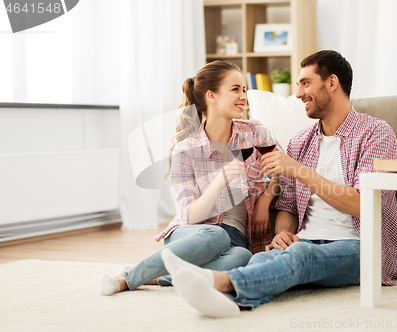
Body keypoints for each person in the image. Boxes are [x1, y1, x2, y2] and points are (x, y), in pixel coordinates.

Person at [158, 50, 397, 318]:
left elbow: (365, 205)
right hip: (305, 239)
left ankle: (218, 283)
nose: (298, 93)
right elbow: (287, 205)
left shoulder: (376, 133)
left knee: (301, 257)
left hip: (358, 246)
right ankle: (230, 301)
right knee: (263, 258)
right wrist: (282, 233)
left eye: (305, 83)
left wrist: (298, 170)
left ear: (332, 83)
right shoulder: (300, 142)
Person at [100, 60, 278, 296]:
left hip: (236, 240)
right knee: (216, 234)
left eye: (244, 89)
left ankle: (158, 276)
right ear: (211, 96)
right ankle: (128, 277)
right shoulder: (186, 149)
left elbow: (282, 170)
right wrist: (219, 181)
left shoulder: (254, 132)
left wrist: (264, 202)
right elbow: (192, 216)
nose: (243, 96)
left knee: (243, 257)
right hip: (193, 237)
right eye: (235, 89)